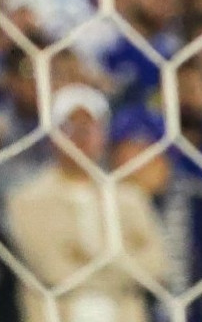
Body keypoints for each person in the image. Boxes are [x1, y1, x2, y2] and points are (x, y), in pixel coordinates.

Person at [8, 84, 167, 322]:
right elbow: (54, 271)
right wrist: (119, 262)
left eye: (90, 127)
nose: (81, 136)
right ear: (52, 135)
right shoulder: (26, 200)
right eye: (70, 126)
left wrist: (85, 257)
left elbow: (157, 265)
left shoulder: (130, 198)